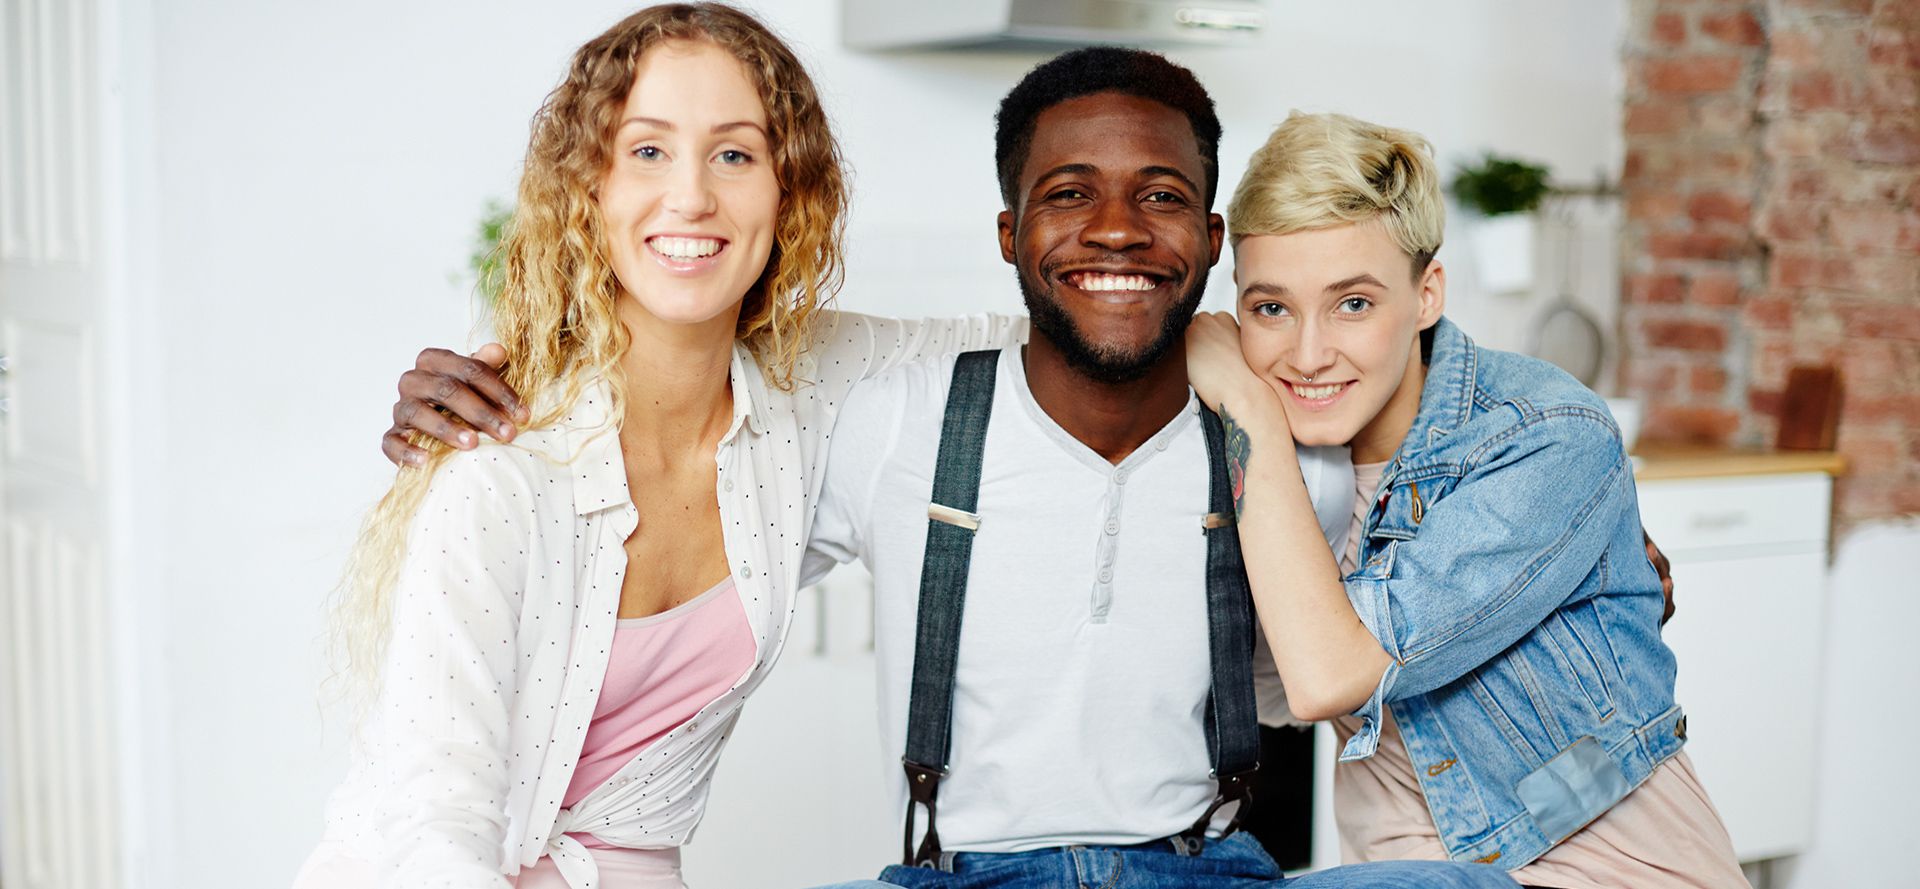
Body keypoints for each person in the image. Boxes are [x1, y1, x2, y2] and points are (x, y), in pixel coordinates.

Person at [390, 45, 1522, 889]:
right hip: (955, 875)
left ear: (1214, 244)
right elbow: (693, 394)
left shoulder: (1281, 448)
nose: (1118, 230)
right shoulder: (890, 414)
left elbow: (1414, 564)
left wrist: (1580, 518)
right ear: (1009, 234)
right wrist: (520, 377)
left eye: (1162, 197)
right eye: (1069, 194)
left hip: (1204, 870)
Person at [295, 5, 1021, 888]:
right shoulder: (500, 464)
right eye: (647, 150)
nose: (691, 196)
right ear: (587, 188)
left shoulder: (809, 384)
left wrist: (1220, 340)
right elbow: (437, 827)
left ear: (789, 192)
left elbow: (1028, 337)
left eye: (735, 153)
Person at [1182, 111, 1745, 887]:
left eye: (1354, 303)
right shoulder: (1285, 466)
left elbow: (1327, 674)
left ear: (1426, 295)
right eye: (1271, 307)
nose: (1307, 354)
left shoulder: (1546, 433)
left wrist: (1245, 406)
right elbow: (1259, 693)